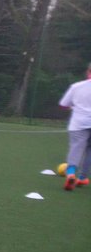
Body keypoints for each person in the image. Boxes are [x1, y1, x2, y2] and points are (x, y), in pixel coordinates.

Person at [58, 62, 91, 191]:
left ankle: (71, 173)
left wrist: (73, 107)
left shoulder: (77, 86)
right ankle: (83, 178)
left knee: (76, 149)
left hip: (78, 123)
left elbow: (63, 104)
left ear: (88, 71)